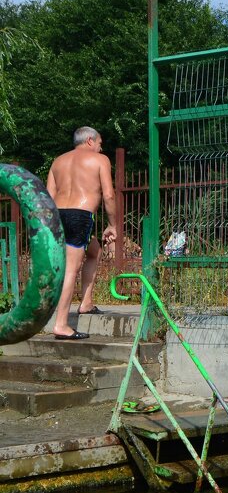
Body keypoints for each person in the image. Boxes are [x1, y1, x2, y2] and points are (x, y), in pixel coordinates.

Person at [46, 126, 117, 340]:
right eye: (99, 143)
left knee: (94, 251)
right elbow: (109, 195)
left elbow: (49, 196)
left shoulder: (57, 161)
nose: (100, 147)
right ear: (89, 141)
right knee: (71, 268)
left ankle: (85, 303)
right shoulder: (100, 160)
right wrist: (113, 225)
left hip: (58, 215)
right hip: (80, 215)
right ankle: (61, 324)